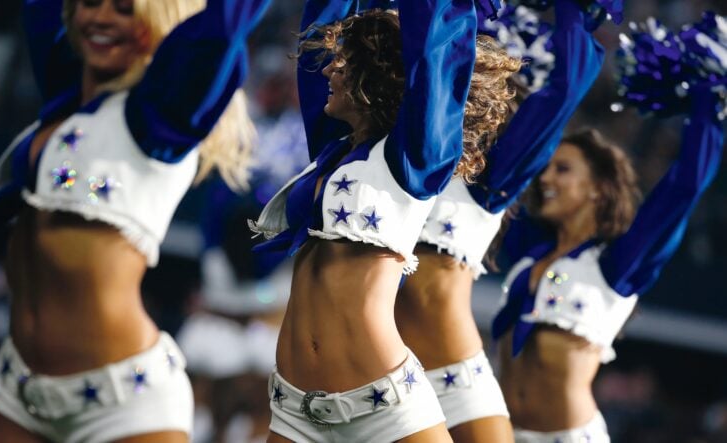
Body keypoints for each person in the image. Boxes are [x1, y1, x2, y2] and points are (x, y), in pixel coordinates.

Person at [0, 0, 271, 441]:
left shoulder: (162, 115)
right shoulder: (69, 99)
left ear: (157, 21)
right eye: (89, 3)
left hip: (122, 401)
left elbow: (223, 25)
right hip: (22, 389)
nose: (99, 17)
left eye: (123, 9)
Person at [249, 0, 517, 440]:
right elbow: (316, 39)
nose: (329, 70)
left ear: (376, 77)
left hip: (381, 406)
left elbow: (431, 55)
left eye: (344, 63)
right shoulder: (334, 149)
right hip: (295, 408)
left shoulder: (412, 160)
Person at [395, 1, 603, 441]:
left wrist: (571, 11)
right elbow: (421, 53)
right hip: (384, 369)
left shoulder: (491, 177)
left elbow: (564, 89)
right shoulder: (404, 151)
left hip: (452, 377)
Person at [491, 86, 724, 442]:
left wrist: (708, 104)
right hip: (502, 432)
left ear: (597, 187)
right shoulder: (529, 250)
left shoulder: (615, 263)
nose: (547, 178)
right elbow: (518, 159)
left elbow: (682, 189)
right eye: (548, 169)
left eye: (563, 169)